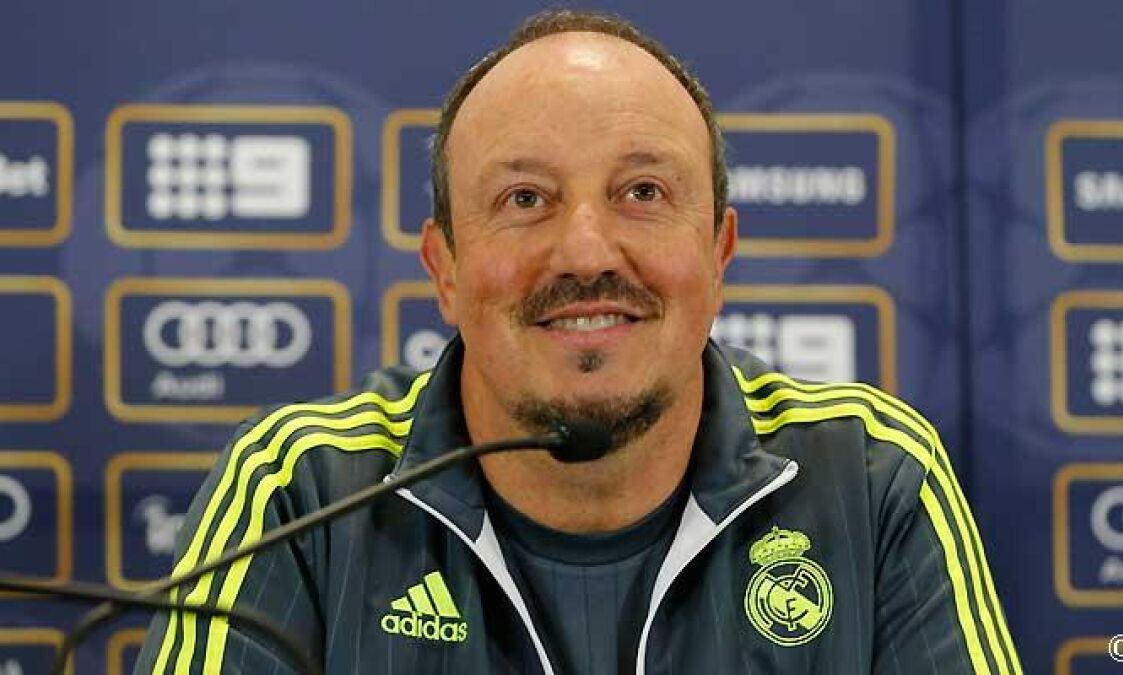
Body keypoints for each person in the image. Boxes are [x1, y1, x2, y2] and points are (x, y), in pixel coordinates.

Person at [136, 10, 1021, 674]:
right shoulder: (300, 491)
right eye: (525, 199)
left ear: (718, 255)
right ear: (445, 268)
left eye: (642, 192)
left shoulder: (868, 476)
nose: (588, 252)